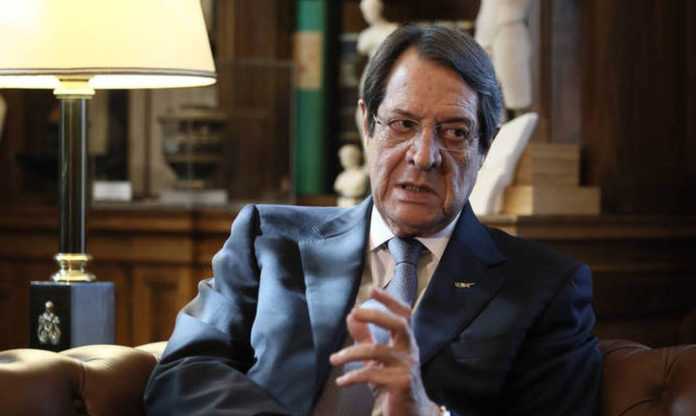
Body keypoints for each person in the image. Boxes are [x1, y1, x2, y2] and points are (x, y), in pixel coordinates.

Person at [145, 25, 602, 416]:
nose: (424, 156)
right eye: (403, 124)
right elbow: (183, 374)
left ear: (485, 147)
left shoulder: (546, 287)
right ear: (366, 124)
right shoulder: (269, 238)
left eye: (455, 132)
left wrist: (427, 412)